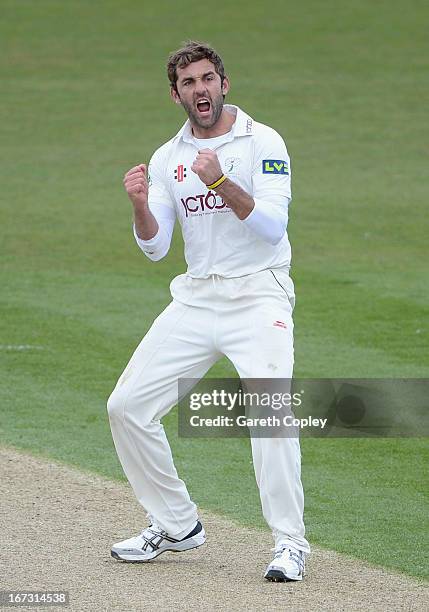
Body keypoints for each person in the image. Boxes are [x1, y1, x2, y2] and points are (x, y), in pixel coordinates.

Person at [107, 40, 310, 582]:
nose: (201, 89)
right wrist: (138, 206)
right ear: (176, 94)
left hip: (258, 294)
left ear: (225, 83)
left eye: (207, 79)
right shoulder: (167, 157)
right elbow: (154, 246)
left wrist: (218, 180)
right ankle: (176, 524)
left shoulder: (263, 141)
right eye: (189, 83)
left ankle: (290, 543)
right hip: (196, 297)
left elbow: (272, 227)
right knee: (126, 406)